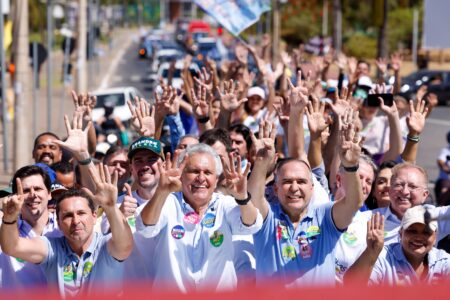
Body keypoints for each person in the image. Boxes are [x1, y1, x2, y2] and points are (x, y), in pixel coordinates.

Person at [249, 115, 363, 286]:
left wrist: (351, 166)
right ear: (275, 188)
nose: (294, 188)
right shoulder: (267, 217)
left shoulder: (325, 216)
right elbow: (253, 197)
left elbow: (354, 203)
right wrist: (260, 162)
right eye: (287, 182)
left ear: (312, 187)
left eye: (301, 182)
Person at [135, 143, 262, 291]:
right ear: (181, 176)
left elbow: (252, 224)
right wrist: (161, 193)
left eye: (207, 172)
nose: (200, 178)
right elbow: (145, 227)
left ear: (216, 180)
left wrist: (243, 198)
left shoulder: (224, 204)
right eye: (194, 171)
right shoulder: (168, 202)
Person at [0, 164, 133, 297]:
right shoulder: (53, 247)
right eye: (68, 216)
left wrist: (110, 207)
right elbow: (13, 246)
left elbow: (125, 245)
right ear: (59, 222)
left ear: (94, 216)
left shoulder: (105, 246)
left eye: (81, 213)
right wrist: (9, 218)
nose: (75, 221)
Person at [344, 206, 450, 285]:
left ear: (435, 236)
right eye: (412, 231)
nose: (418, 237)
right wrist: (370, 252)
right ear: (400, 233)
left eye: (426, 232)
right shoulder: (382, 256)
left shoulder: (442, 260)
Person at [0, 165, 61, 289]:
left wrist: (83, 158)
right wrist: (9, 218)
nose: (33, 194)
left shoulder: (66, 227)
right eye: (26, 190)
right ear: (16, 195)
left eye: (38, 189)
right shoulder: (4, 227)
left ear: (49, 194)